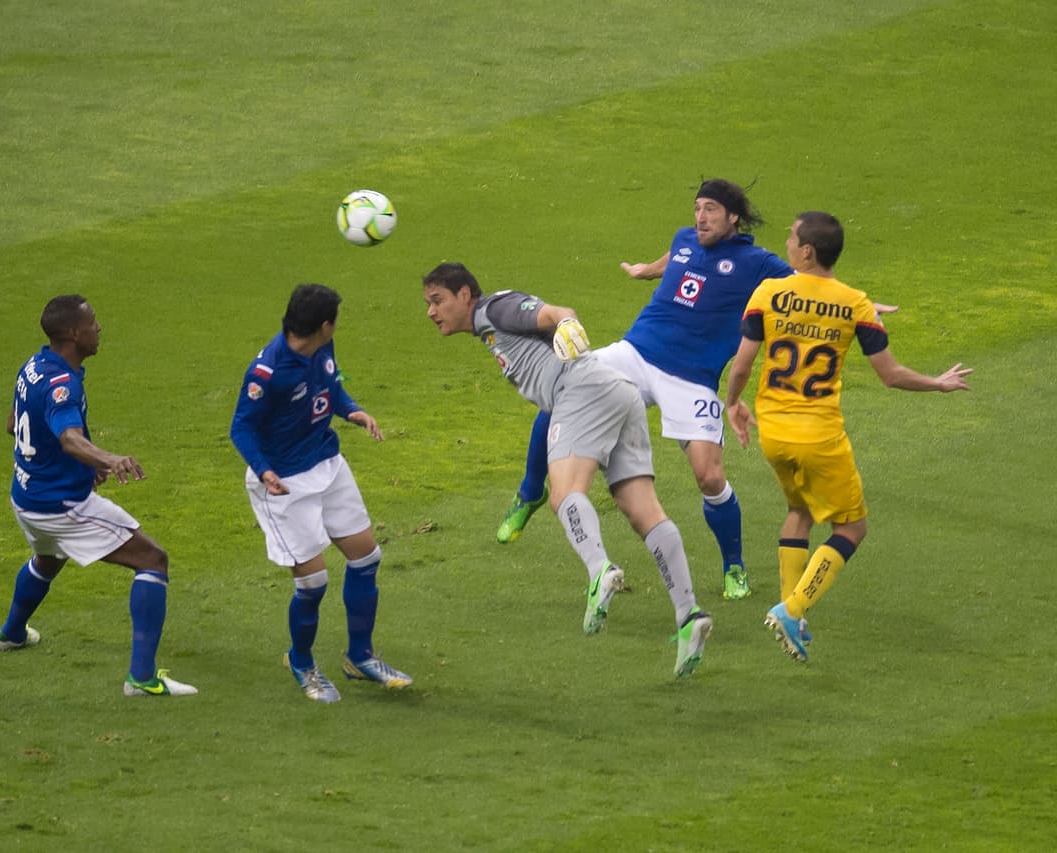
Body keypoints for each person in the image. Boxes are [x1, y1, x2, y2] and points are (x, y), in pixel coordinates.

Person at [496, 179, 899, 603]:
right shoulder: (686, 239)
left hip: (691, 379)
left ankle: (734, 567)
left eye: (710, 209)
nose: (700, 217)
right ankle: (530, 491)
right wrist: (645, 270)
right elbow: (676, 257)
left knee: (709, 476)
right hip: (636, 352)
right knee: (564, 392)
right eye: (697, 208)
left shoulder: (757, 263)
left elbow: (810, 283)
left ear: (732, 217)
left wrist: (866, 309)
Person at [423, 262, 712, 679]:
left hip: (580, 389)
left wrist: (566, 323)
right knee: (642, 509)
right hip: (619, 392)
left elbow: (556, 312)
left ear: (464, 295)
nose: (432, 312)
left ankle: (600, 571)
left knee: (563, 493)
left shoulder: (495, 309)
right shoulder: (491, 322)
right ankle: (689, 615)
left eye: (438, 301)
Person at [724, 211, 972, 662]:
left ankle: (793, 617)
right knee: (852, 527)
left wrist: (733, 403)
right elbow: (891, 376)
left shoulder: (769, 292)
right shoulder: (856, 303)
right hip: (819, 436)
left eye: (791, 236)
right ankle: (792, 607)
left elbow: (741, 364)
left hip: (773, 432)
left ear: (807, 252)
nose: (786, 240)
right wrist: (938, 383)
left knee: (799, 510)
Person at [0, 294, 196, 697]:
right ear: (73, 333)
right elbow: (68, 437)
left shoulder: (33, 367)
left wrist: (86, 465)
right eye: (93, 322)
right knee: (153, 560)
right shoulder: (63, 384)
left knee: (48, 559)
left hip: (26, 498)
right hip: (62, 506)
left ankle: (11, 634)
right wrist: (107, 457)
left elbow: (14, 424)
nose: (99, 328)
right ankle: (141, 678)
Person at [230, 283, 411, 703]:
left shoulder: (321, 348)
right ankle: (302, 662)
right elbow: (241, 426)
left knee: (366, 558)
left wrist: (353, 411)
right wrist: (265, 470)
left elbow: (330, 389)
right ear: (325, 325)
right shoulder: (268, 372)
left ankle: (360, 657)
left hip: (327, 466)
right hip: (285, 485)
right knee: (313, 583)